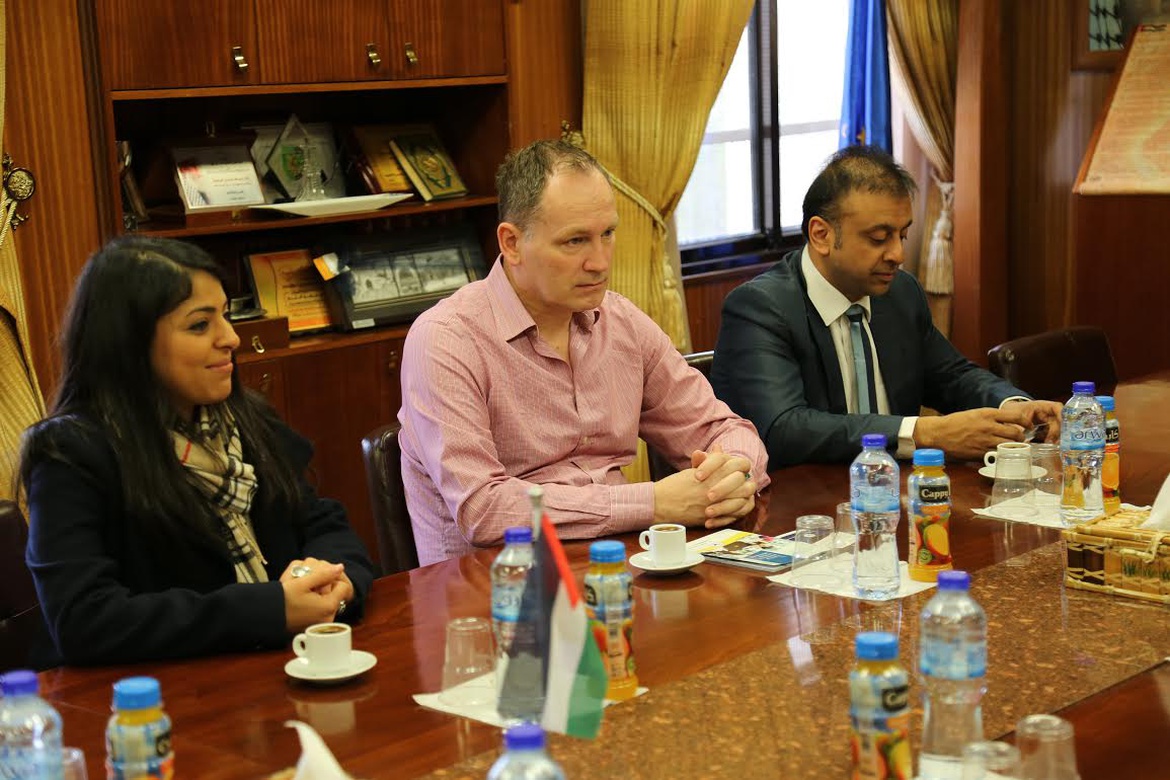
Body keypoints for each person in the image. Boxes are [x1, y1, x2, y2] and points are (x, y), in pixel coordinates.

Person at [398, 140, 769, 565]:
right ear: (512, 243)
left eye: (607, 234)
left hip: (620, 563)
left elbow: (723, 428)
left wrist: (733, 474)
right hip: (497, 584)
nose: (600, 262)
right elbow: (482, 508)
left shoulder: (621, 320)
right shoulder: (446, 339)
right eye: (575, 241)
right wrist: (652, 503)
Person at [20, 237, 374, 666]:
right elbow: (85, 620)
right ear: (130, 344)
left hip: (271, 668)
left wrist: (338, 583)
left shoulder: (247, 418)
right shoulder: (70, 452)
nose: (231, 338)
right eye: (200, 325)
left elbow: (323, 523)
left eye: (226, 315)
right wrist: (269, 609)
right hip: (141, 695)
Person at [711, 146, 1061, 466]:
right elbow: (784, 430)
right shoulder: (760, 308)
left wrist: (1015, 408)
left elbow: (952, 375)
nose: (898, 254)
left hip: (896, 491)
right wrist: (925, 432)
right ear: (821, 235)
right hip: (800, 503)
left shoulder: (899, 292)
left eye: (902, 235)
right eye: (879, 238)